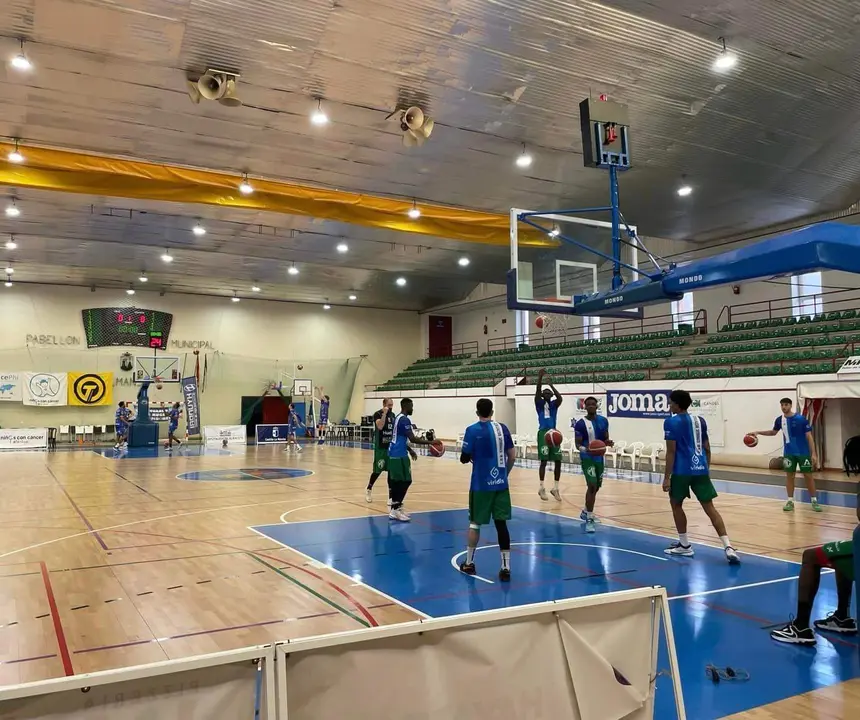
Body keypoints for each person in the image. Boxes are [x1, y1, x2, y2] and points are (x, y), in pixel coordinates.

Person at [663, 389, 740, 564]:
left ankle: (684, 545)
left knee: (676, 504)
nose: (669, 405)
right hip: (701, 469)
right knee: (710, 508)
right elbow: (707, 447)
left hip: (682, 471)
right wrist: (706, 467)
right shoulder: (700, 421)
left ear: (676, 404)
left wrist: (667, 477)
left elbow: (671, 452)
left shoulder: (670, 422)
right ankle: (728, 546)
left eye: (670, 402)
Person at [458, 398, 517, 581]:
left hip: (481, 485)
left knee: (475, 523)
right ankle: (506, 567)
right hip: (500, 484)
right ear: (492, 411)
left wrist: (469, 456)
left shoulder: (472, 430)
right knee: (501, 525)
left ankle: (469, 563)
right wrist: (503, 475)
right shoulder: (503, 429)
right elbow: (512, 456)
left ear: (477, 412)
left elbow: (464, 457)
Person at [748, 398, 821, 512]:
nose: (783, 407)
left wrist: (814, 454)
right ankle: (790, 501)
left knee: (808, 476)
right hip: (789, 454)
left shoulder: (801, 419)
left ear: (790, 405)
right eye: (782, 405)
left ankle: (814, 501)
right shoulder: (779, 420)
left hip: (803, 453)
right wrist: (758, 432)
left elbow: (809, 437)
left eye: (786, 405)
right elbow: (773, 432)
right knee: (789, 476)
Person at [387, 398, 431, 522]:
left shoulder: (398, 417)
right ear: (406, 406)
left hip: (398, 452)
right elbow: (413, 439)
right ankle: (395, 509)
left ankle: (396, 509)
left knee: (400, 481)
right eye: (411, 406)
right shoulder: (404, 419)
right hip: (397, 454)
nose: (412, 408)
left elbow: (399, 437)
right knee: (404, 481)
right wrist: (431, 442)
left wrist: (410, 450)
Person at [573, 397, 613, 534]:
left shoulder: (603, 421)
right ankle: (589, 517)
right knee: (592, 485)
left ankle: (585, 511)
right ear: (584, 407)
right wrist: (586, 449)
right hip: (587, 457)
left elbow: (605, 439)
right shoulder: (580, 424)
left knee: (596, 487)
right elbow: (577, 445)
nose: (591, 406)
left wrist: (608, 443)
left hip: (599, 457)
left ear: (597, 406)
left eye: (593, 404)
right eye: (588, 404)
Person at [535, 368, 563, 501]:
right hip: (543, 433)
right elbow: (537, 391)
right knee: (544, 461)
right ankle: (541, 487)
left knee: (558, 460)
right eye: (544, 392)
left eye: (548, 392)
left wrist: (551, 384)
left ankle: (556, 488)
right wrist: (540, 379)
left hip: (553, 432)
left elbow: (560, 398)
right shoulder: (539, 404)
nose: (546, 393)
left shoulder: (554, 405)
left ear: (551, 395)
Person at [366, 397, 394, 503]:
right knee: (377, 471)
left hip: (390, 448)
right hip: (380, 448)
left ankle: (390, 497)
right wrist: (384, 414)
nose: (391, 407)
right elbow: (380, 426)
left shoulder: (393, 415)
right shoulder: (377, 414)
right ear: (384, 405)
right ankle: (369, 489)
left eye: (392, 405)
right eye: (389, 405)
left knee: (391, 472)